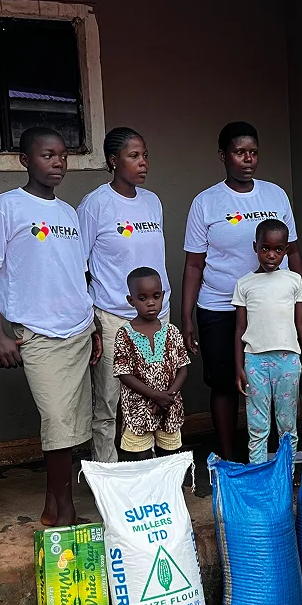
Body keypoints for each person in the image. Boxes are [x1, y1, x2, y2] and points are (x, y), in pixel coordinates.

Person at [0, 126, 98, 529]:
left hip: (78, 329)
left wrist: (93, 324)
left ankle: (53, 507)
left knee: (73, 425)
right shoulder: (6, 207)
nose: (58, 163)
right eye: (47, 155)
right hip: (38, 332)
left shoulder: (68, 213)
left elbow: (78, 273)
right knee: (58, 421)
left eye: (62, 155)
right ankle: (65, 513)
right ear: (25, 160)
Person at [182, 122, 302, 459]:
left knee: (276, 382)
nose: (248, 159)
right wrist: (186, 316)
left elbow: (293, 251)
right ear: (223, 155)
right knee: (225, 382)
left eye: (253, 152)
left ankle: (275, 457)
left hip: (274, 307)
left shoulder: (275, 195)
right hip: (220, 306)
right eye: (239, 152)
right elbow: (194, 264)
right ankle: (229, 458)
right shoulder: (206, 202)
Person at [78, 128, 170, 461]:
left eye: (145, 155)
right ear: (113, 161)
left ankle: (154, 467)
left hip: (157, 317)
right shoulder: (95, 204)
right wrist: (90, 318)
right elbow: (79, 265)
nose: (143, 162)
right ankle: (108, 472)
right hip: (114, 317)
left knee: (156, 395)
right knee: (108, 401)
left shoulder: (152, 202)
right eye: (134, 156)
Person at [233, 220, 302, 465]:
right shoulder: (244, 284)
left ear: (286, 250)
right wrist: (238, 366)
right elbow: (239, 328)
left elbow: (301, 323)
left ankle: (285, 476)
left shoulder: (293, 280)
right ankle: (259, 476)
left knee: (287, 425)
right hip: (254, 362)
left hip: (288, 360)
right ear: (255, 247)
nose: (271, 255)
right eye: (265, 248)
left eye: (278, 249)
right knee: (257, 426)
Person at [113, 267, 189, 459]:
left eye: (156, 296)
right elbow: (124, 374)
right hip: (138, 410)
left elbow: (182, 369)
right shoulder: (124, 335)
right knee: (141, 462)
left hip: (169, 410)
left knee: (171, 459)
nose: (150, 303)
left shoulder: (172, 332)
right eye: (142, 298)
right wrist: (156, 396)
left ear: (163, 296)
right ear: (131, 300)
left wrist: (167, 397)